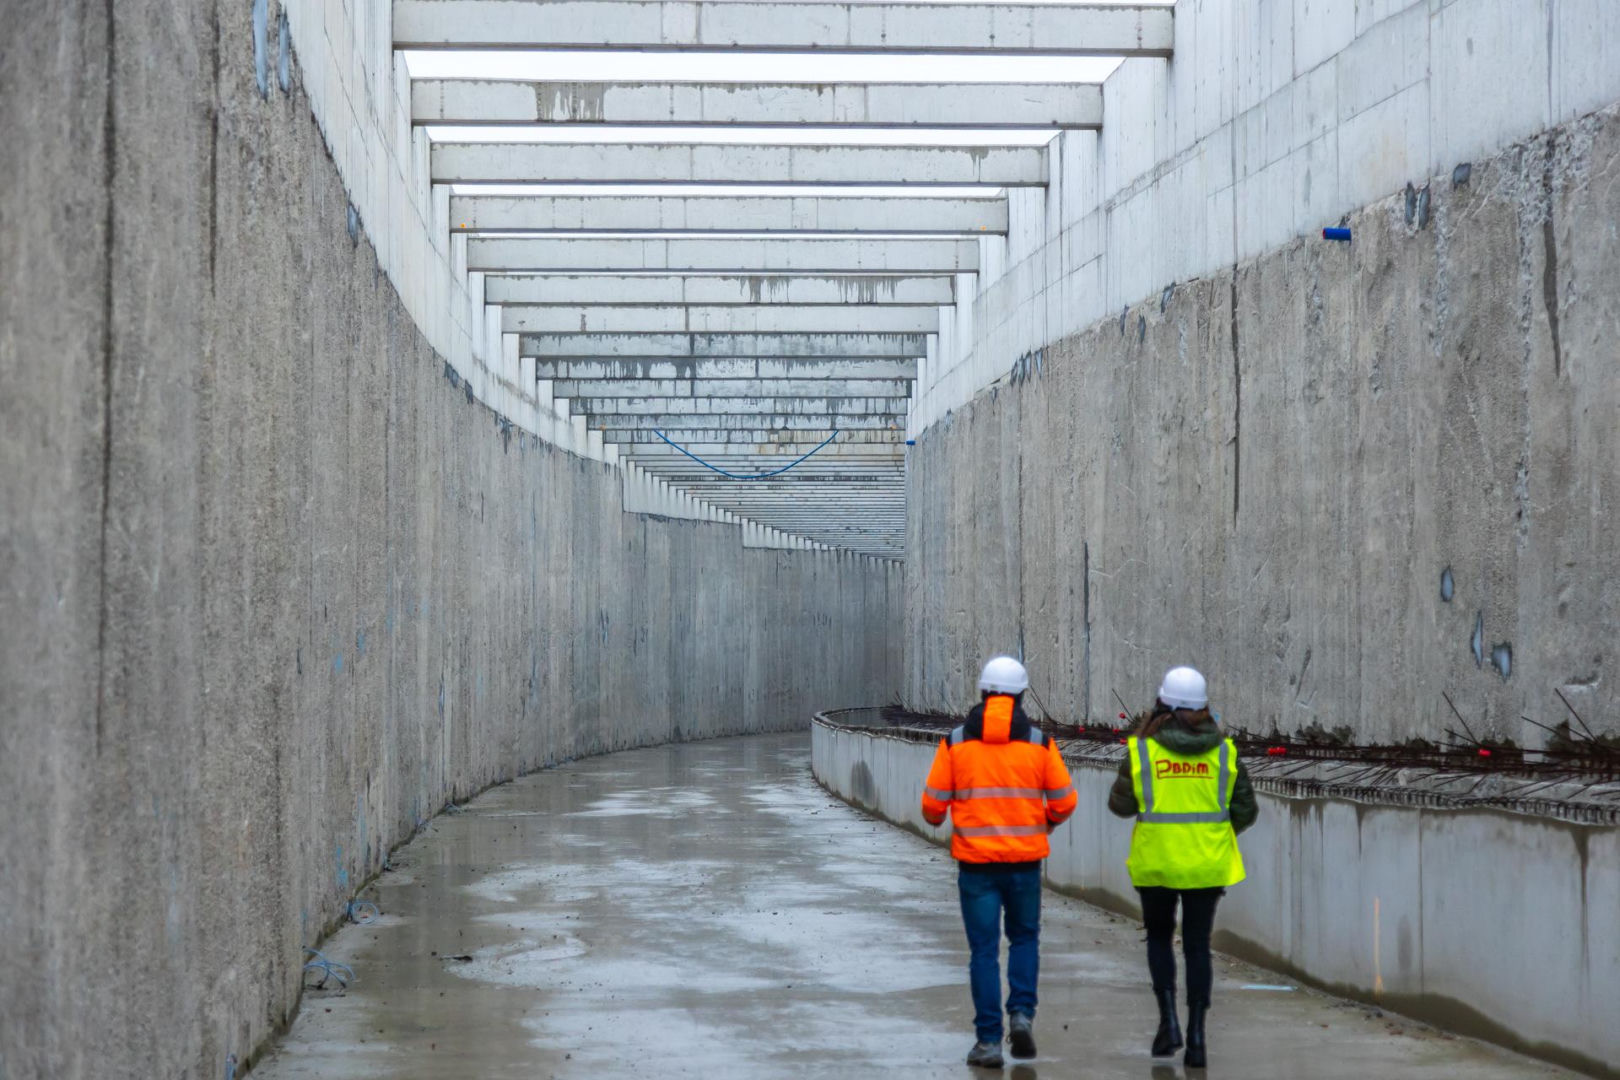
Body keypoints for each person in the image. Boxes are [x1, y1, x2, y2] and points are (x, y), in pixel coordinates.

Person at [921, 656, 1078, 1069]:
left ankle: (989, 1042)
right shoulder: (1039, 744)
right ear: (1021, 696)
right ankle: (1022, 1015)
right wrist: (1042, 821)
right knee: (1025, 939)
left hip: (976, 868)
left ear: (983, 694)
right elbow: (1064, 802)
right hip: (1024, 865)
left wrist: (955, 813)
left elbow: (932, 809)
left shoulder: (955, 743)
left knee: (984, 952)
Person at [1108, 665, 1257, 1069]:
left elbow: (1120, 806)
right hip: (1207, 867)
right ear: (1204, 708)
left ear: (1162, 706)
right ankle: (1196, 1038)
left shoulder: (1142, 751)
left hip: (1156, 864)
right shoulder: (1225, 753)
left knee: (1159, 939)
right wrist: (1212, 838)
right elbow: (1245, 810)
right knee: (1197, 947)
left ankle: (1168, 1023)